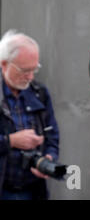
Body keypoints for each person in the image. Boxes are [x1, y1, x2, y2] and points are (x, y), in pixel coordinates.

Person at [0, 30, 59, 200]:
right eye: (25, 70)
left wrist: (48, 157)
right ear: (4, 64)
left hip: (33, 191)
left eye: (34, 69)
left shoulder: (39, 93)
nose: (31, 77)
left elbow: (53, 135)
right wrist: (11, 141)